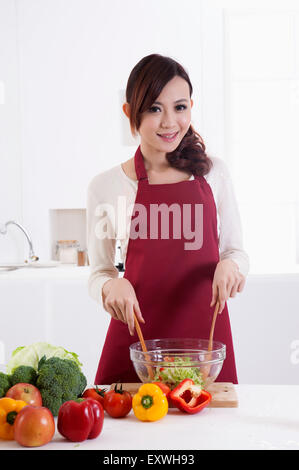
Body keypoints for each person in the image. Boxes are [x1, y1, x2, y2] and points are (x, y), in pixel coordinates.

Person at [87, 53, 249, 386]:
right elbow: (98, 273)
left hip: (204, 346)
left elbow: (236, 253)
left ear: (191, 106)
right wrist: (110, 284)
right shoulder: (106, 186)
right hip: (137, 346)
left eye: (180, 107)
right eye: (154, 108)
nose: (169, 122)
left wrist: (230, 266)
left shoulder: (214, 173)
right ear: (130, 112)